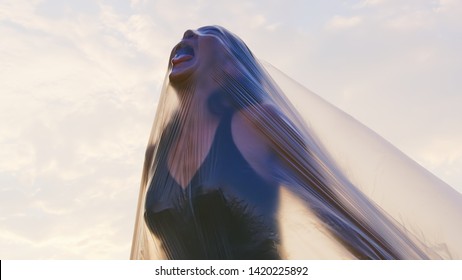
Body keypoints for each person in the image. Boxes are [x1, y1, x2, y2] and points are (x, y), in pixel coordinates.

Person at [130, 26, 462, 260]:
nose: (189, 33)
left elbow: (334, 211)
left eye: (212, 34)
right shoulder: (155, 153)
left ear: (233, 66)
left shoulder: (259, 122)